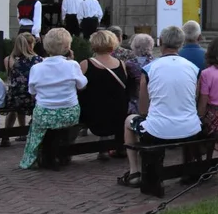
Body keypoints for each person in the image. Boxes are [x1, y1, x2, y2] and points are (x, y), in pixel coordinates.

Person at [118, 25, 203, 187]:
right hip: (191, 127)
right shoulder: (193, 68)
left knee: (129, 120)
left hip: (158, 130)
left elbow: (143, 109)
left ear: (161, 42)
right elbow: (195, 97)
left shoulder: (149, 69)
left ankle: (134, 171)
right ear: (181, 43)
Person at [19, 28, 87, 169]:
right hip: (68, 112)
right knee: (65, 123)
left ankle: (40, 155)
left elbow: (32, 92)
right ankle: (61, 153)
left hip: (45, 112)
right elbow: (82, 85)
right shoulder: (72, 65)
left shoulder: (37, 68)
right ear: (67, 47)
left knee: (40, 121)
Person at [78, 30, 132, 158]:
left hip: (93, 112)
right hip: (117, 113)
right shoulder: (121, 64)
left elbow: (79, 88)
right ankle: (118, 147)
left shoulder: (85, 64)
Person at [3, 33, 40, 134]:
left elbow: (11, 77)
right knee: (37, 103)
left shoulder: (9, 59)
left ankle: (6, 136)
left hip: (15, 97)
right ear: (31, 44)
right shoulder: (38, 60)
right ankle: (30, 132)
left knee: (13, 111)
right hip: (32, 97)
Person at [125, 33, 155, 114]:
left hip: (133, 104)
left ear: (135, 46)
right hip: (152, 103)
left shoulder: (128, 64)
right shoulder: (156, 63)